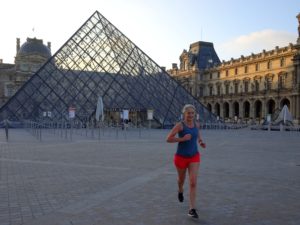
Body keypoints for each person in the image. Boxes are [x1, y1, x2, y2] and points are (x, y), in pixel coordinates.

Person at [166, 104, 206, 219]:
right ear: (184, 114)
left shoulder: (196, 124)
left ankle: (192, 209)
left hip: (194, 156)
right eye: (189, 113)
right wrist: (182, 139)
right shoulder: (180, 125)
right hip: (181, 157)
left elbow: (197, 134)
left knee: (193, 182)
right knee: (181, 180)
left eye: (193, 113)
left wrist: (201, 142)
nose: (191, 115)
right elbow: (168, 138)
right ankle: (180, 190)